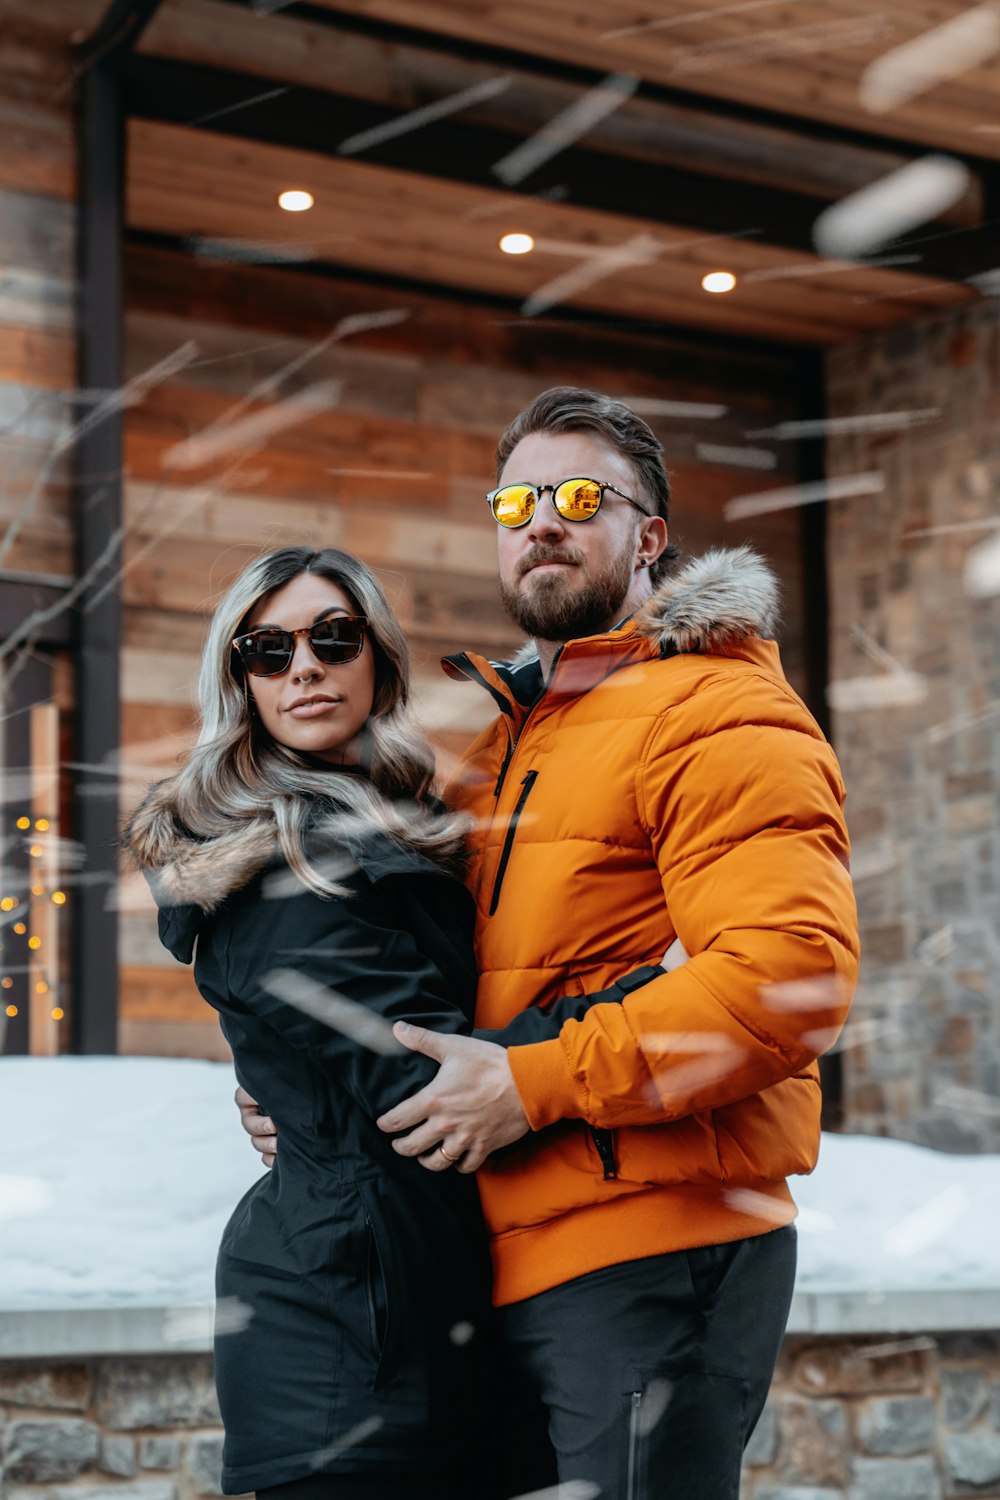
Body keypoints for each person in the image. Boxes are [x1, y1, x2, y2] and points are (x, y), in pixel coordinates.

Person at [239, 388, 860, 1500]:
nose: (542, 521)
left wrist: (535, 1080)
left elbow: (787, 981)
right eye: (516, 498)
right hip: (513, 1250)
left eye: (580, 496)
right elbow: (461, 989)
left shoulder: (717, 712)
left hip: (655, 1246)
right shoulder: (508, 742)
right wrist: (312, 1088)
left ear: (649, 537)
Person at [123, 546, 498, 1500]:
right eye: (267, 648)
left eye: (334, 638)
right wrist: (629, 1007)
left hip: (397, 1299)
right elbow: (424, 1083)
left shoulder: (394, 823)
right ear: (240, 678)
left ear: (378, 656)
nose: (305, 667)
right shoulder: (284, 867)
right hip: (348, 1340)